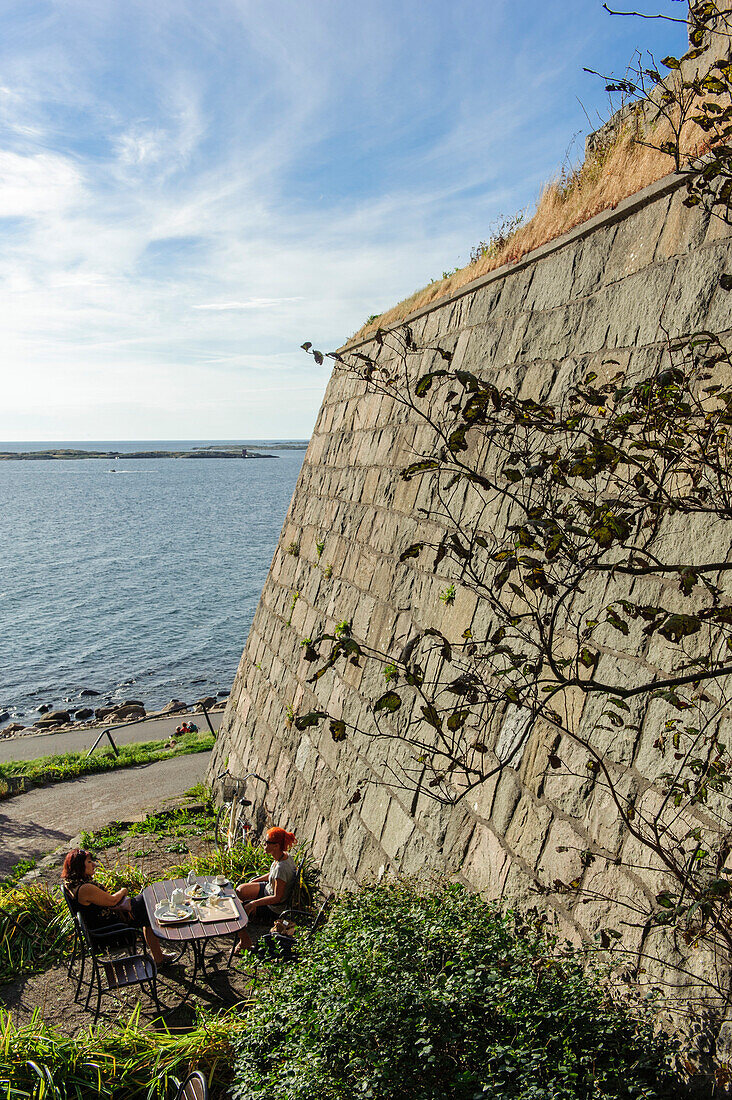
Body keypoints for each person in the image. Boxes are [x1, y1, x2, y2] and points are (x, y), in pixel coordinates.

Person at [61, 848, 176, 966]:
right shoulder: (85, 889)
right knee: (146, 905)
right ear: (79, 866)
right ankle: (161, 954)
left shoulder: (72, 883)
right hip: (110, 931)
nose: (94, 864)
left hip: (104, 924)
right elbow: (112, 900)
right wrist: (123, 891)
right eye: (89, 862)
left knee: (145, 905)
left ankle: (159, 958)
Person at [234, 826, 297, 952]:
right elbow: (272, 875)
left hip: (273, 907)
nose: (264, 844)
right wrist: (254, 881)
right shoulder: (283, 856)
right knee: (240, 890)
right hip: (268, 889)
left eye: (267, 842)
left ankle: (245, 942)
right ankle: (247, 914)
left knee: (236, 912)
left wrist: (253, 903)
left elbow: (277, 898)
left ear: (276, 846)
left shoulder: (282, 868)